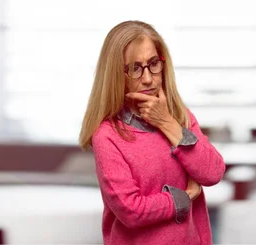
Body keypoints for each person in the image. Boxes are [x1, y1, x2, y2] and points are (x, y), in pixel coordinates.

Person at [78, 20, 226, 245]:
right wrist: (184, 198)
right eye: (134, 68)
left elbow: (213, 173)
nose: (147, 78)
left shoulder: (180, 116)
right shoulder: (107, 135)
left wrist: (166, 122)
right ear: (116, 75)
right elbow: (131, 211)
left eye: (153, 64)